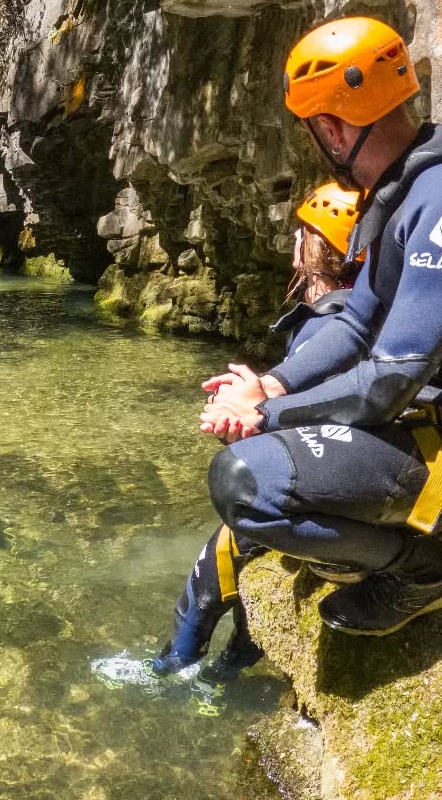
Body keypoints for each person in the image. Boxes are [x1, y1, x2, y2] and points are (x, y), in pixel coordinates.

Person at [199, 16, 442, 637]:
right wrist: (272, 385)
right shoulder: (410, 195)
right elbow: (355, 324)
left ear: (329, 126)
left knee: (243, 482)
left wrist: (263, 417)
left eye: (311, 133)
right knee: (257, 453)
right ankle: (367, 542)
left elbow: (392, 379)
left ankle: (428, 572)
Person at [149, 183, 365, 683]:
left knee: (210, 578)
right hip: (341, 479)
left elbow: (320, 425)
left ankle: (164, 673)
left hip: (307, 484)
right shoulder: (361, 313)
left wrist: (244, 427)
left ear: (310, 249)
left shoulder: (328, 325)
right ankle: (221, 680)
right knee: (249, 596)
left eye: (302, 233)